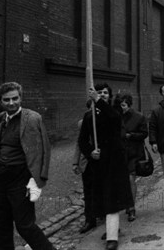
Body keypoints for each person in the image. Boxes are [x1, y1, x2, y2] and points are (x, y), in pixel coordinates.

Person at [0, 82, 54, 250]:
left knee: (25, 225)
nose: (11, 103)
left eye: (15, 98)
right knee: (1, 225)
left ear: (21, 98)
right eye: (6, 100)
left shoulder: (33, 118)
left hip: (21, 176)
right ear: (0, 101)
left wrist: (37, 180)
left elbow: (45, 150)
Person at [78, 83, 133, 250]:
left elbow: (115, 120)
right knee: (103, 199)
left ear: (109, 96)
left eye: (105, 93)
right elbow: (82, 140)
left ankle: (112, 238)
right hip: (98, 163)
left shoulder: (115, 112)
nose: (102, 95)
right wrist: (90, 152)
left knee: (112, 197)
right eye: (99, 92)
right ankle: (112, 228)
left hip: (114, 162)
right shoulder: (89, 117)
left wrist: (97, 100)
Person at [120, 93, 149, 222]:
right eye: (119, 106)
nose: (122, 108)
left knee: (131, 178)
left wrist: (130, 136)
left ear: (129, 104)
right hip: (119, 153)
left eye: (124, 105)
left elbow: (144, 134)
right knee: (121, 181)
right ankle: (126, 203)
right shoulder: (115, 117)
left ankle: (131, 208)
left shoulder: (139, 117)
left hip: (133, 153)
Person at [73, 100, 96, 234]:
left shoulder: (107, 120)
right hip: (87, 161)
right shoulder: (82, 123)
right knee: (88, 192)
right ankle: (90, 219)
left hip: (102, 161)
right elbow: (79, 143)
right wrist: (75, 162)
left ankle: (104, 215)